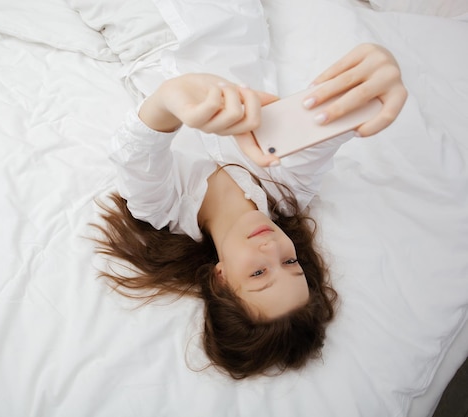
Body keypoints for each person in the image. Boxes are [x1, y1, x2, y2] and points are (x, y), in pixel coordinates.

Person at [93, 43, 407, 379]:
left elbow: (137, 147)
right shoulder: (287, 188)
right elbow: (331, 116)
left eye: (258, 274)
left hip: (143, 32)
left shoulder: (161, 207)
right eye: (290, 263)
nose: (273, 248)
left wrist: (171, 96)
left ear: (220, 277)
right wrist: (372, 82)